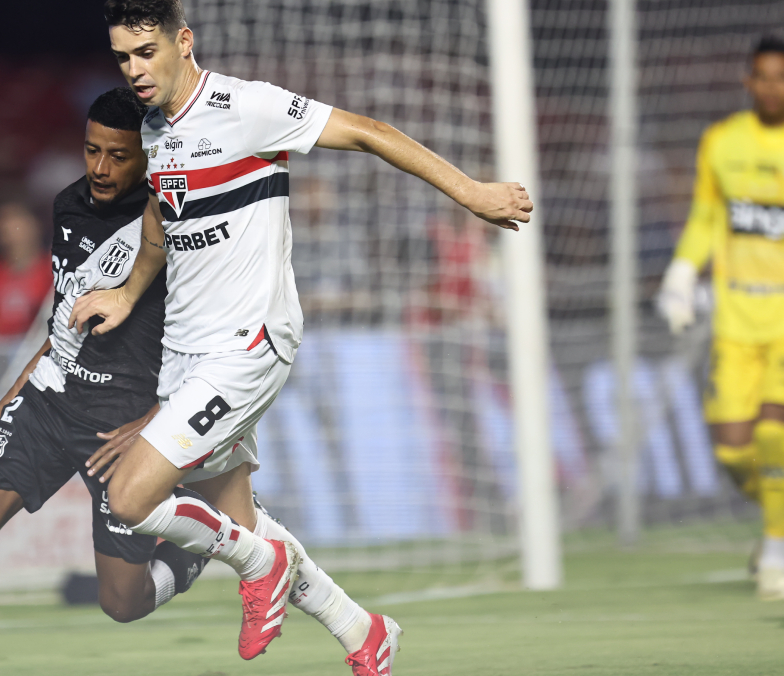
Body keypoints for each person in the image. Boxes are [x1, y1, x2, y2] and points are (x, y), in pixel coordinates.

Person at [69, 3, 533, 674]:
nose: (136, 69)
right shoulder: (154, 127)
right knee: (238, 518)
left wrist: (473, 192)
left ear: (183, 42)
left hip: (248, 341)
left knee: (132, 498)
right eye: (123, 57)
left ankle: (266, 567)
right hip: (187, 351)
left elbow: (369, 131)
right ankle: (362, 631)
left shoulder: (246, 107)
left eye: (146, 51)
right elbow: (159, 218)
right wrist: (126, 292)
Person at [0, 88, 211, 643]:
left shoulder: (177, 227)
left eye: (118, 155)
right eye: (91, 151)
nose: (101, 168)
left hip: (123, 424)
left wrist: (153, 421)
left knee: (122, 603)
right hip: (50, 399)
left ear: (148, 155)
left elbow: (206, 341)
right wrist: (14, 391)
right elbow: (64, 319)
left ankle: (194, 549)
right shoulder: (67, 205)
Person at [657, 34, 784, 602]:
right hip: (736, 321)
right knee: (735, 450)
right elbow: (708, 215)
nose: (773, 87)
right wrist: (682, 272)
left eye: (781, 78)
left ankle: (777, 551)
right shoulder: (723, 142)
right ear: (747, 82)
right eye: (764, 77)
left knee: (773, 435)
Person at [0, 203, 53, 338]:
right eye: (5, 229)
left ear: (35, 226)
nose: (12, 236)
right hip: (1, 351)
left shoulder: (53, 269)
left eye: (17, 228)